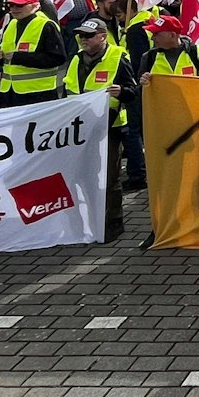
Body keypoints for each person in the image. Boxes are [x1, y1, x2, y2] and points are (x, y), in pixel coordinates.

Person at [64, 17, 134, 242]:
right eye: (81, 35)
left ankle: (112, 224)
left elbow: (133, 92)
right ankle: (89, 221)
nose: (83, 39)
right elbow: (67, 90)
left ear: (103, 37)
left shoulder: (117, 57)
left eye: (88, 35)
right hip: (80, 128)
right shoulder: (75, 59)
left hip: (109, 128)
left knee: (109, 178)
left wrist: (122, 91)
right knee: (83, 176)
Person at [0, 0, 66, 106]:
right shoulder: (11, 24)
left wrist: (19, 57)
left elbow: (58, 58)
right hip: (9, 93)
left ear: (34, 5)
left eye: (20, 5)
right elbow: (5, 57)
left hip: (38, 94)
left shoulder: (47, 25)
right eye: (11, 5)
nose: (14, 8)